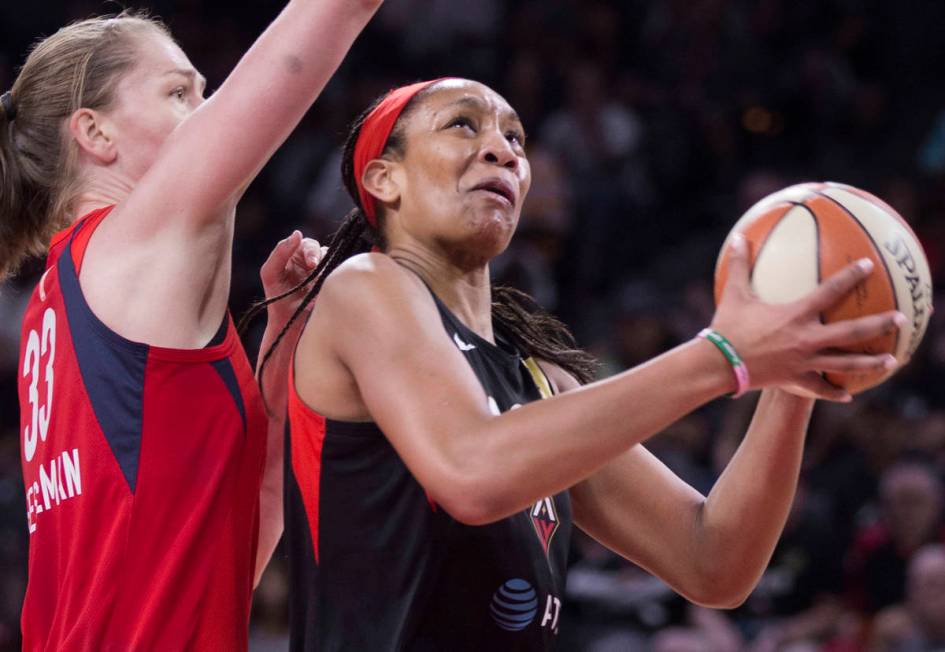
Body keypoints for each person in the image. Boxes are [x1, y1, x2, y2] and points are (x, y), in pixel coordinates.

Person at [254, 77, 905, 650]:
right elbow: (470, 472)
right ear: (384, 179)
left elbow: (715, 563)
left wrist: (792, 375)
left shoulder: (542, 379)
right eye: (462, 124)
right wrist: (724, 355)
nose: (501, 148)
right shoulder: (365, 285)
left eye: (515, 138)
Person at [0, 1, 383, 649]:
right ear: (94, 135)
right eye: (179, 93)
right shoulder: (131, 243)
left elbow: (235, 524)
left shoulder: (55, 306)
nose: (207, 114)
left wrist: (283, 329)